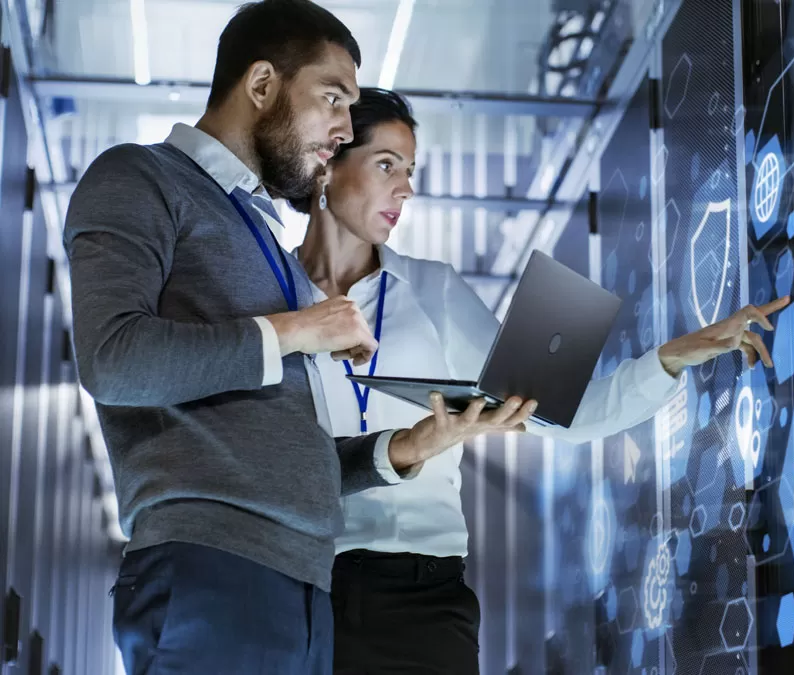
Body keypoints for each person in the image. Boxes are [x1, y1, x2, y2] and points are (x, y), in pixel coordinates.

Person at [63, 4, 535, 674]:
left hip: (304, 589)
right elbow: (114, 359)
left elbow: (288, 449)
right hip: (212, 571)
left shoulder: (265, 244)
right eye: (332, 98)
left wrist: (408, 448)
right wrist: (299, 328)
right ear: (261, 86)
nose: (343, 128)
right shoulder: (140, 178)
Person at [291, 87, 788, 673]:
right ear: (329, 163)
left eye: (410, 171)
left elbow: (562, 415)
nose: (406, 188)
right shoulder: (271, 300)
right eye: (386, 165)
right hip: (302, 588)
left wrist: (672, 357)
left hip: (422, 598)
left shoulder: (436, 291)